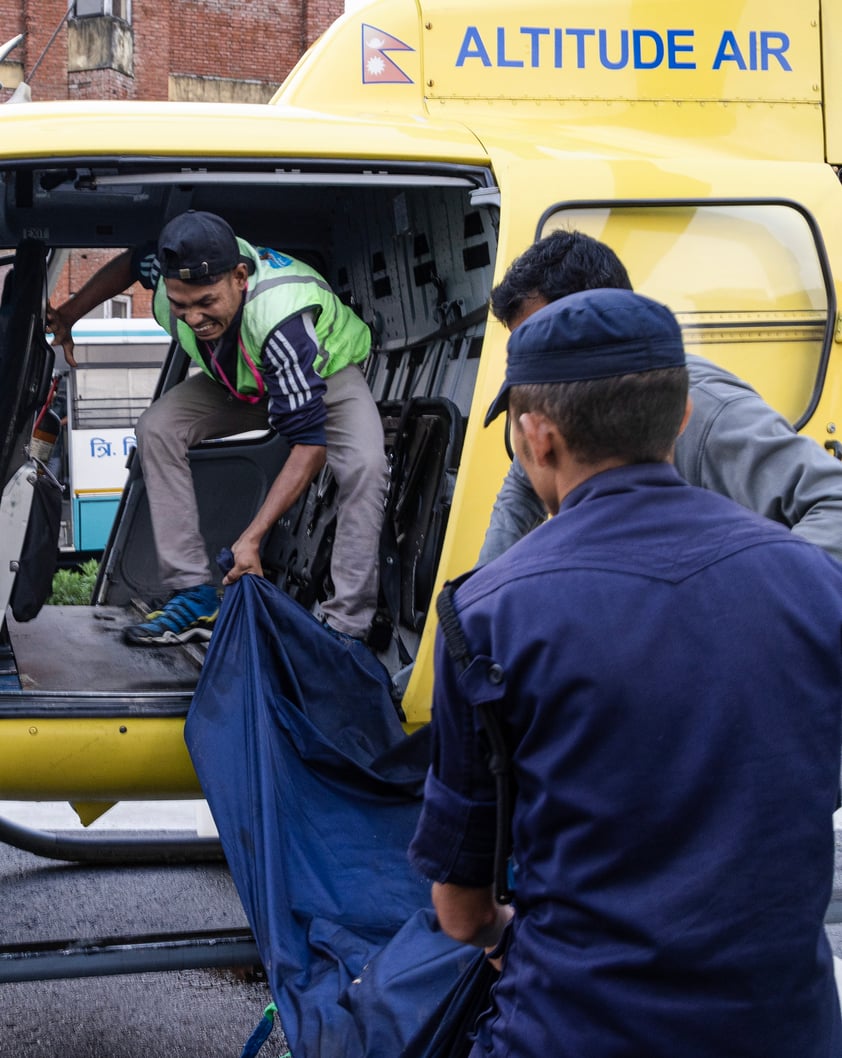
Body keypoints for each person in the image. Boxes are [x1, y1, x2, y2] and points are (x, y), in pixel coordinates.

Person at [408, 288, 842, 1058]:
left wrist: (499, 929)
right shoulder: (814, 583)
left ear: (537, 438)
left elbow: (461, 906)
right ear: (679, 420)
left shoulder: (488, 615)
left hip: (577, 1028)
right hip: (786, 1027)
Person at [48, 211, 387, 646]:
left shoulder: (282, 318)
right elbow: (132, 264)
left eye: (206, 303)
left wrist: (252, 537)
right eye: (181, 304)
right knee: (158, 427)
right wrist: (70, 313)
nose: (192, 319)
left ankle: (346, 628)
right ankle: (194, 595)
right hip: (245, 381)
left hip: (326, 374)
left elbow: (309, 445)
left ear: (240, 278)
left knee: (366, 467)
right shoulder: (170, 271)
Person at [478, 230, 842, 566]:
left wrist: (750, 605)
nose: (532, 369)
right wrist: (477, 602)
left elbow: (834, 500)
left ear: (600, 320)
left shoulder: (707, 409)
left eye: (543, 343)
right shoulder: (557, 407)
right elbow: (520, 495)